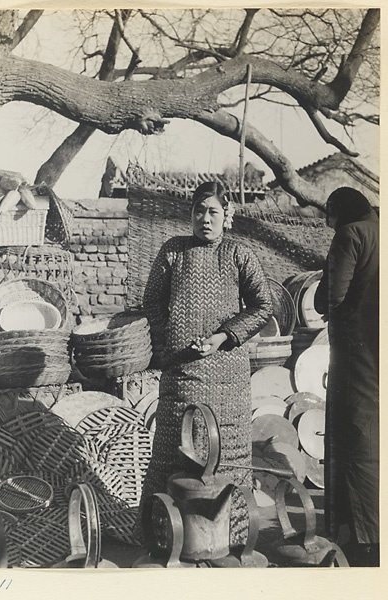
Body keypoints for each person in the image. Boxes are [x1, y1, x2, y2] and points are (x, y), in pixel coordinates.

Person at [136, 181, 273, 552]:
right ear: (191, 214)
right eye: (199, 210)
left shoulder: (237, 254)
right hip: (181, 373)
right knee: (173, 453)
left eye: (213, 211)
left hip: (227, 375)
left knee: (224, 454)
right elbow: (151, 302)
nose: (205, 218)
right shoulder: (173, 252)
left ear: (226, 216)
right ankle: (164, 536)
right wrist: (171, 344)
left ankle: (230, 536)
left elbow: (263, 305)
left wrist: (223, 338)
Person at [314, 187, 379, 567]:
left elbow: (330, 299)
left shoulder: (350, 234)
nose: (327, 223)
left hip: (355, 354)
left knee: (355, 436)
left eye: (328, 215)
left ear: (340, 211)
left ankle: (361, 535)